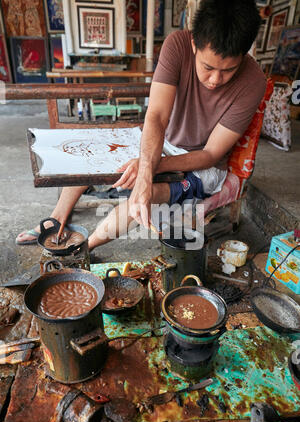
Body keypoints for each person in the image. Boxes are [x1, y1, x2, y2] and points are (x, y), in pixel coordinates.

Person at [16, 0, 266, 252]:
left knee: (149, 194)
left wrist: (149, 168)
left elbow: (210, 154)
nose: (215, 80)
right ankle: (58, 216)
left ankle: (82, 250)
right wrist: (147, 166)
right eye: (208, 67)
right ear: (194, 44)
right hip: (165, 142)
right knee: (95, 153)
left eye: (228, 71)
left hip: (205, 166)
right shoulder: (177, 45)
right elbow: (156, 116)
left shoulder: (254, 81)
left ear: (243, 56)